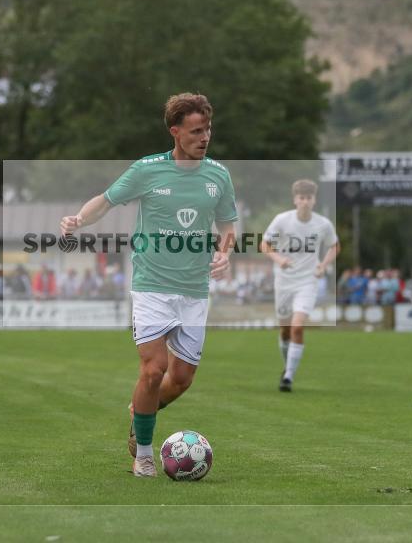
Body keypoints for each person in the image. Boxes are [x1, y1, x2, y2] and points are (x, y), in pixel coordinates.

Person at [60, 93, 237, 478]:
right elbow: (106, 201)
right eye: (195, 130)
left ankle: (140, 411)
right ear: (175, 132)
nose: (204, 137)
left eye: (207, 129)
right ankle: (143, 453)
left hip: (194, 290)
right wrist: (78, 219)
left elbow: (227, 225)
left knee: (182, 379)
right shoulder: (147, 170)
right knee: (153, 369)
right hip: (152, 284)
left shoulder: (219, 176)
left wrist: (224, 253)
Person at [260, 179, 339, 393]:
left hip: (308, 282)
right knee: (285, 330)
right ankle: (287, 366)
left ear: (314, 200)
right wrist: (279, 260)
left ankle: (288, 377)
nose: (305, 202)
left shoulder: (323, 224)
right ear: (295, 200)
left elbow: (334, 246)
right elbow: (264, 244)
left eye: (309, 198)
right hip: (284, 282)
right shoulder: (282, 220)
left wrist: (323, 265)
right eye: (301, 198)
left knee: (297, 327)